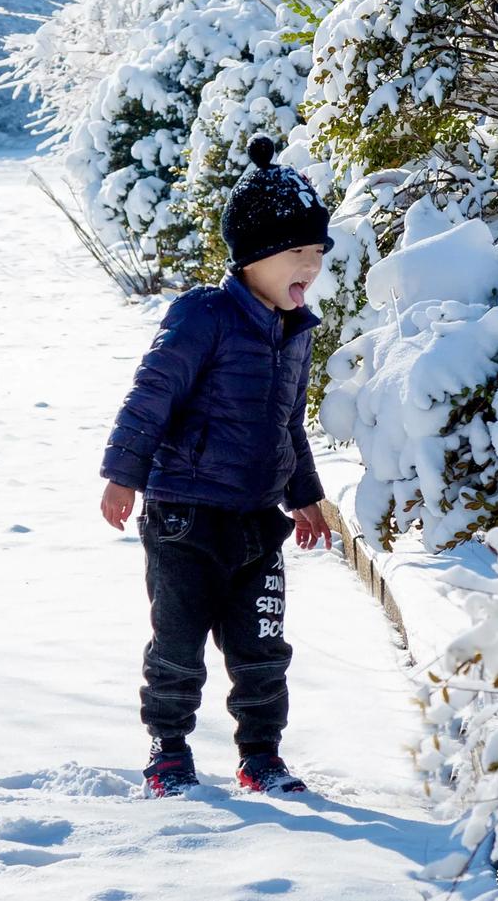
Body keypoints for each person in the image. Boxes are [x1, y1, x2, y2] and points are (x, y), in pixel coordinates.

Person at [99, 133, 333, 798]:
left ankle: (261, 756)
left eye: (317, 253)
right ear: (255, 256)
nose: (310, 267)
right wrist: (124, 473)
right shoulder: (204, 314)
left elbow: (287, 423)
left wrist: (306, 495)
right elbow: (153, 392)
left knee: (263, 648)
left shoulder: (295, 331)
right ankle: (167, 749)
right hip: (184, 518)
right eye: (296, 253)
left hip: (258, 522)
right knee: (177, 647)